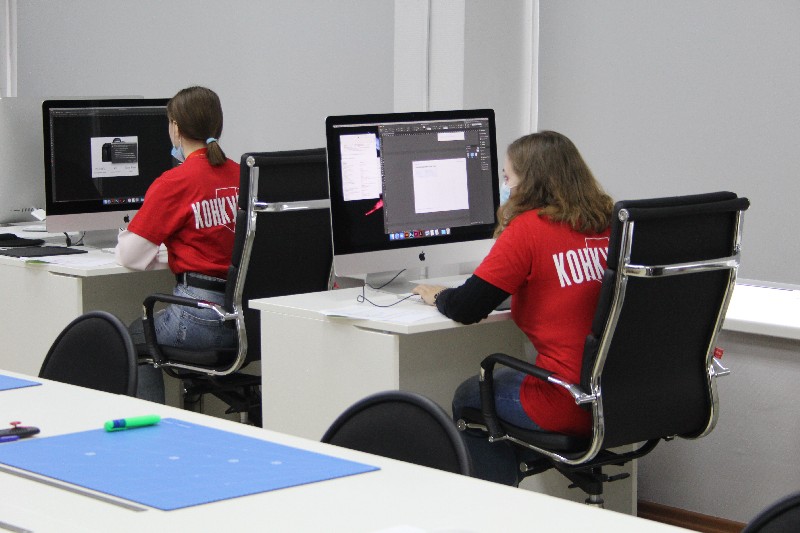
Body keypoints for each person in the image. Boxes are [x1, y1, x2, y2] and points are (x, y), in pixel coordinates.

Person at [413, 131, 614, 485]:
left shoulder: (529, 229)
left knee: (470, 397)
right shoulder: (612, 224)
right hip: (620, 398)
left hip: (569, 401)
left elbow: (466, 308)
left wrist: (440, 296)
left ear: (529, 182)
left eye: (507, 177)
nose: (505, 187)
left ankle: (499, 504)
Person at [115, 86, 240, 403]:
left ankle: (151, 423)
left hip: (200, 318)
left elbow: (129, 256)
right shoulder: (244, 176)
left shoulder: (175, 182)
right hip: (246, 319)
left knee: (134, 335)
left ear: (176, 128)